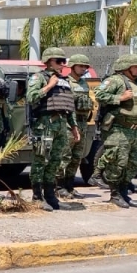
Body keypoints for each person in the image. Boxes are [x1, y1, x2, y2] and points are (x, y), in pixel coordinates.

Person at [25, 49, 81, 212]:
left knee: (56, 161)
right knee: (41, 160)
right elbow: (31, 97)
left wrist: (74, 127)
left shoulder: (65, 81)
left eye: (64, 61)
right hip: (45, 124)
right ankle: (37, 196)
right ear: (49, 61)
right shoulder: (39, 77)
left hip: (62, 124)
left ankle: (50, 195)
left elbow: (69, 106)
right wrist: (49, 86)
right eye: (59, 61)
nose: (63, 64)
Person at [94, 54, 137, 208]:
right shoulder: (115, 80)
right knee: (118, 162)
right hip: (119, 128)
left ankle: (124, 193)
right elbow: (99, 94)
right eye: (136, 67)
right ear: (126, 67)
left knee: (133, 164)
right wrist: (120, 97)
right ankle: (115, 194)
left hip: (136, 129)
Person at [57, 54, 96, 199]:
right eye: (81, 66)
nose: (83, 69)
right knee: (64, 156)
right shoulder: (66, 82)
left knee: (76, 157)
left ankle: (69, 185)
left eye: (85, 66)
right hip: (68, 123)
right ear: (72, 66)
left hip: (82, 123)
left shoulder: (84, 84)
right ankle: (59, 186)